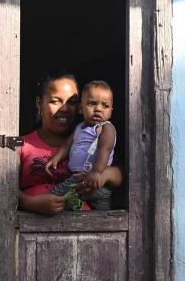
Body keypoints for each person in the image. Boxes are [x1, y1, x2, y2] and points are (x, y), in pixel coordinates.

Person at [19, 72, 121, 216]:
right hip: (31, 226)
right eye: (55, 101)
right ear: (39, 103)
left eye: (71, 102)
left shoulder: (92, 139)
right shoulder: (22, 145)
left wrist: (102, 174)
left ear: (79, 106)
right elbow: (3, 186)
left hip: (84, 226)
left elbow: (120, 177)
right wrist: (29, 203)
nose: (65, 108)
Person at [45, 80, 116, 211]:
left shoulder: (106, 128)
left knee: (55, 195)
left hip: (95, 181)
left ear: (111, 111)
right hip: (78, 178)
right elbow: (67, 145)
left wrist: (96, 172)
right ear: (80, 108)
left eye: (105, 106)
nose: (98, 109)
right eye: (92, 103)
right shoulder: (79, 128)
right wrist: (56, 158)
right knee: (72, 207)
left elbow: (104, 149)